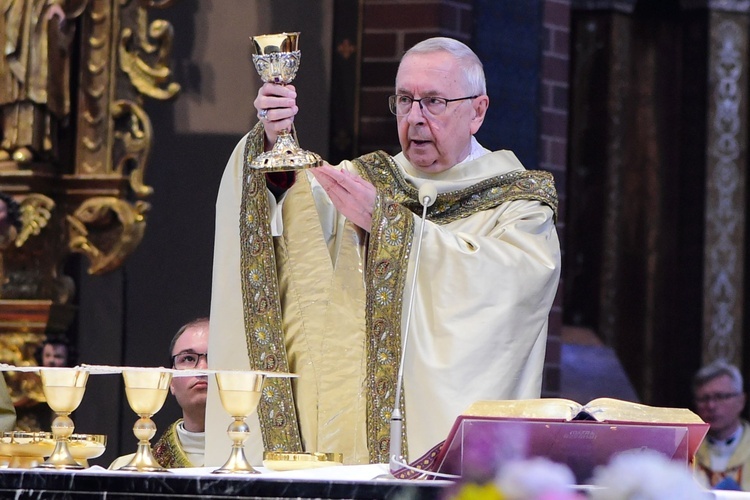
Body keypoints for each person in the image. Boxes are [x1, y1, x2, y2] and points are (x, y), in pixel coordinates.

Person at [207, 37, 561, 467]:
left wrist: (391, 228)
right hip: (350, 447)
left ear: (478, 110)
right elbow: (300, 252)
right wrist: (275, 144)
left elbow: (512, 289)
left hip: (457, 466)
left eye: (434, 102)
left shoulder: (518, 203)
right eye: (405, 100)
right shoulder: (364, 180)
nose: (415, 118)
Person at [110, 318, 209, 469]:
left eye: (214, 356)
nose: (202, 368)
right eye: (188, 358)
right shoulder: (128, 469)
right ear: (171, 381)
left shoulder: (257, 465)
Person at [693, 360, 750, 490]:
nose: (711, 406)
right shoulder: (687, 450)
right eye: (704, 398)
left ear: (741, 401)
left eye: (720, 396)